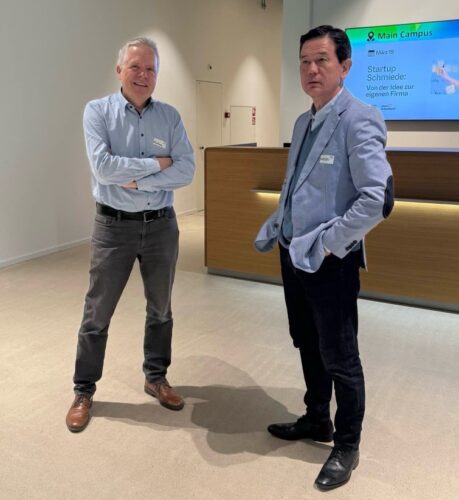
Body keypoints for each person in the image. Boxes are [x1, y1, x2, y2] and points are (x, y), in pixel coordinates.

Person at [255, 25, 394, 490]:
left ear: (345, 66)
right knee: (307, 342)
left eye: (321, 60)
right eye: (304, 62)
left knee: (340, 353)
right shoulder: (303, 122)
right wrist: (279, 224)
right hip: (293, 255)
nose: (311, 70)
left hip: (331, 261)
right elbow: (296, 185)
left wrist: (330, 243)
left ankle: (347, 444)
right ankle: (318, 417)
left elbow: (377, 199)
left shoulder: (360, 118)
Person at [66, 37, 195, 433]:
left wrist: (136, 180)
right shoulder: (97, 112)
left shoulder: (169, 116)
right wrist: (157, 165)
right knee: (97, 312)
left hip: (161, 226)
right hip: (113, 227)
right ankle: (84, 390)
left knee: (161, 308)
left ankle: (156, 377)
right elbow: (103, 168)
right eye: (135, 67)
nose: (143, 75)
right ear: (119, 70)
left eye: (150, 69)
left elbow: (186, 169)